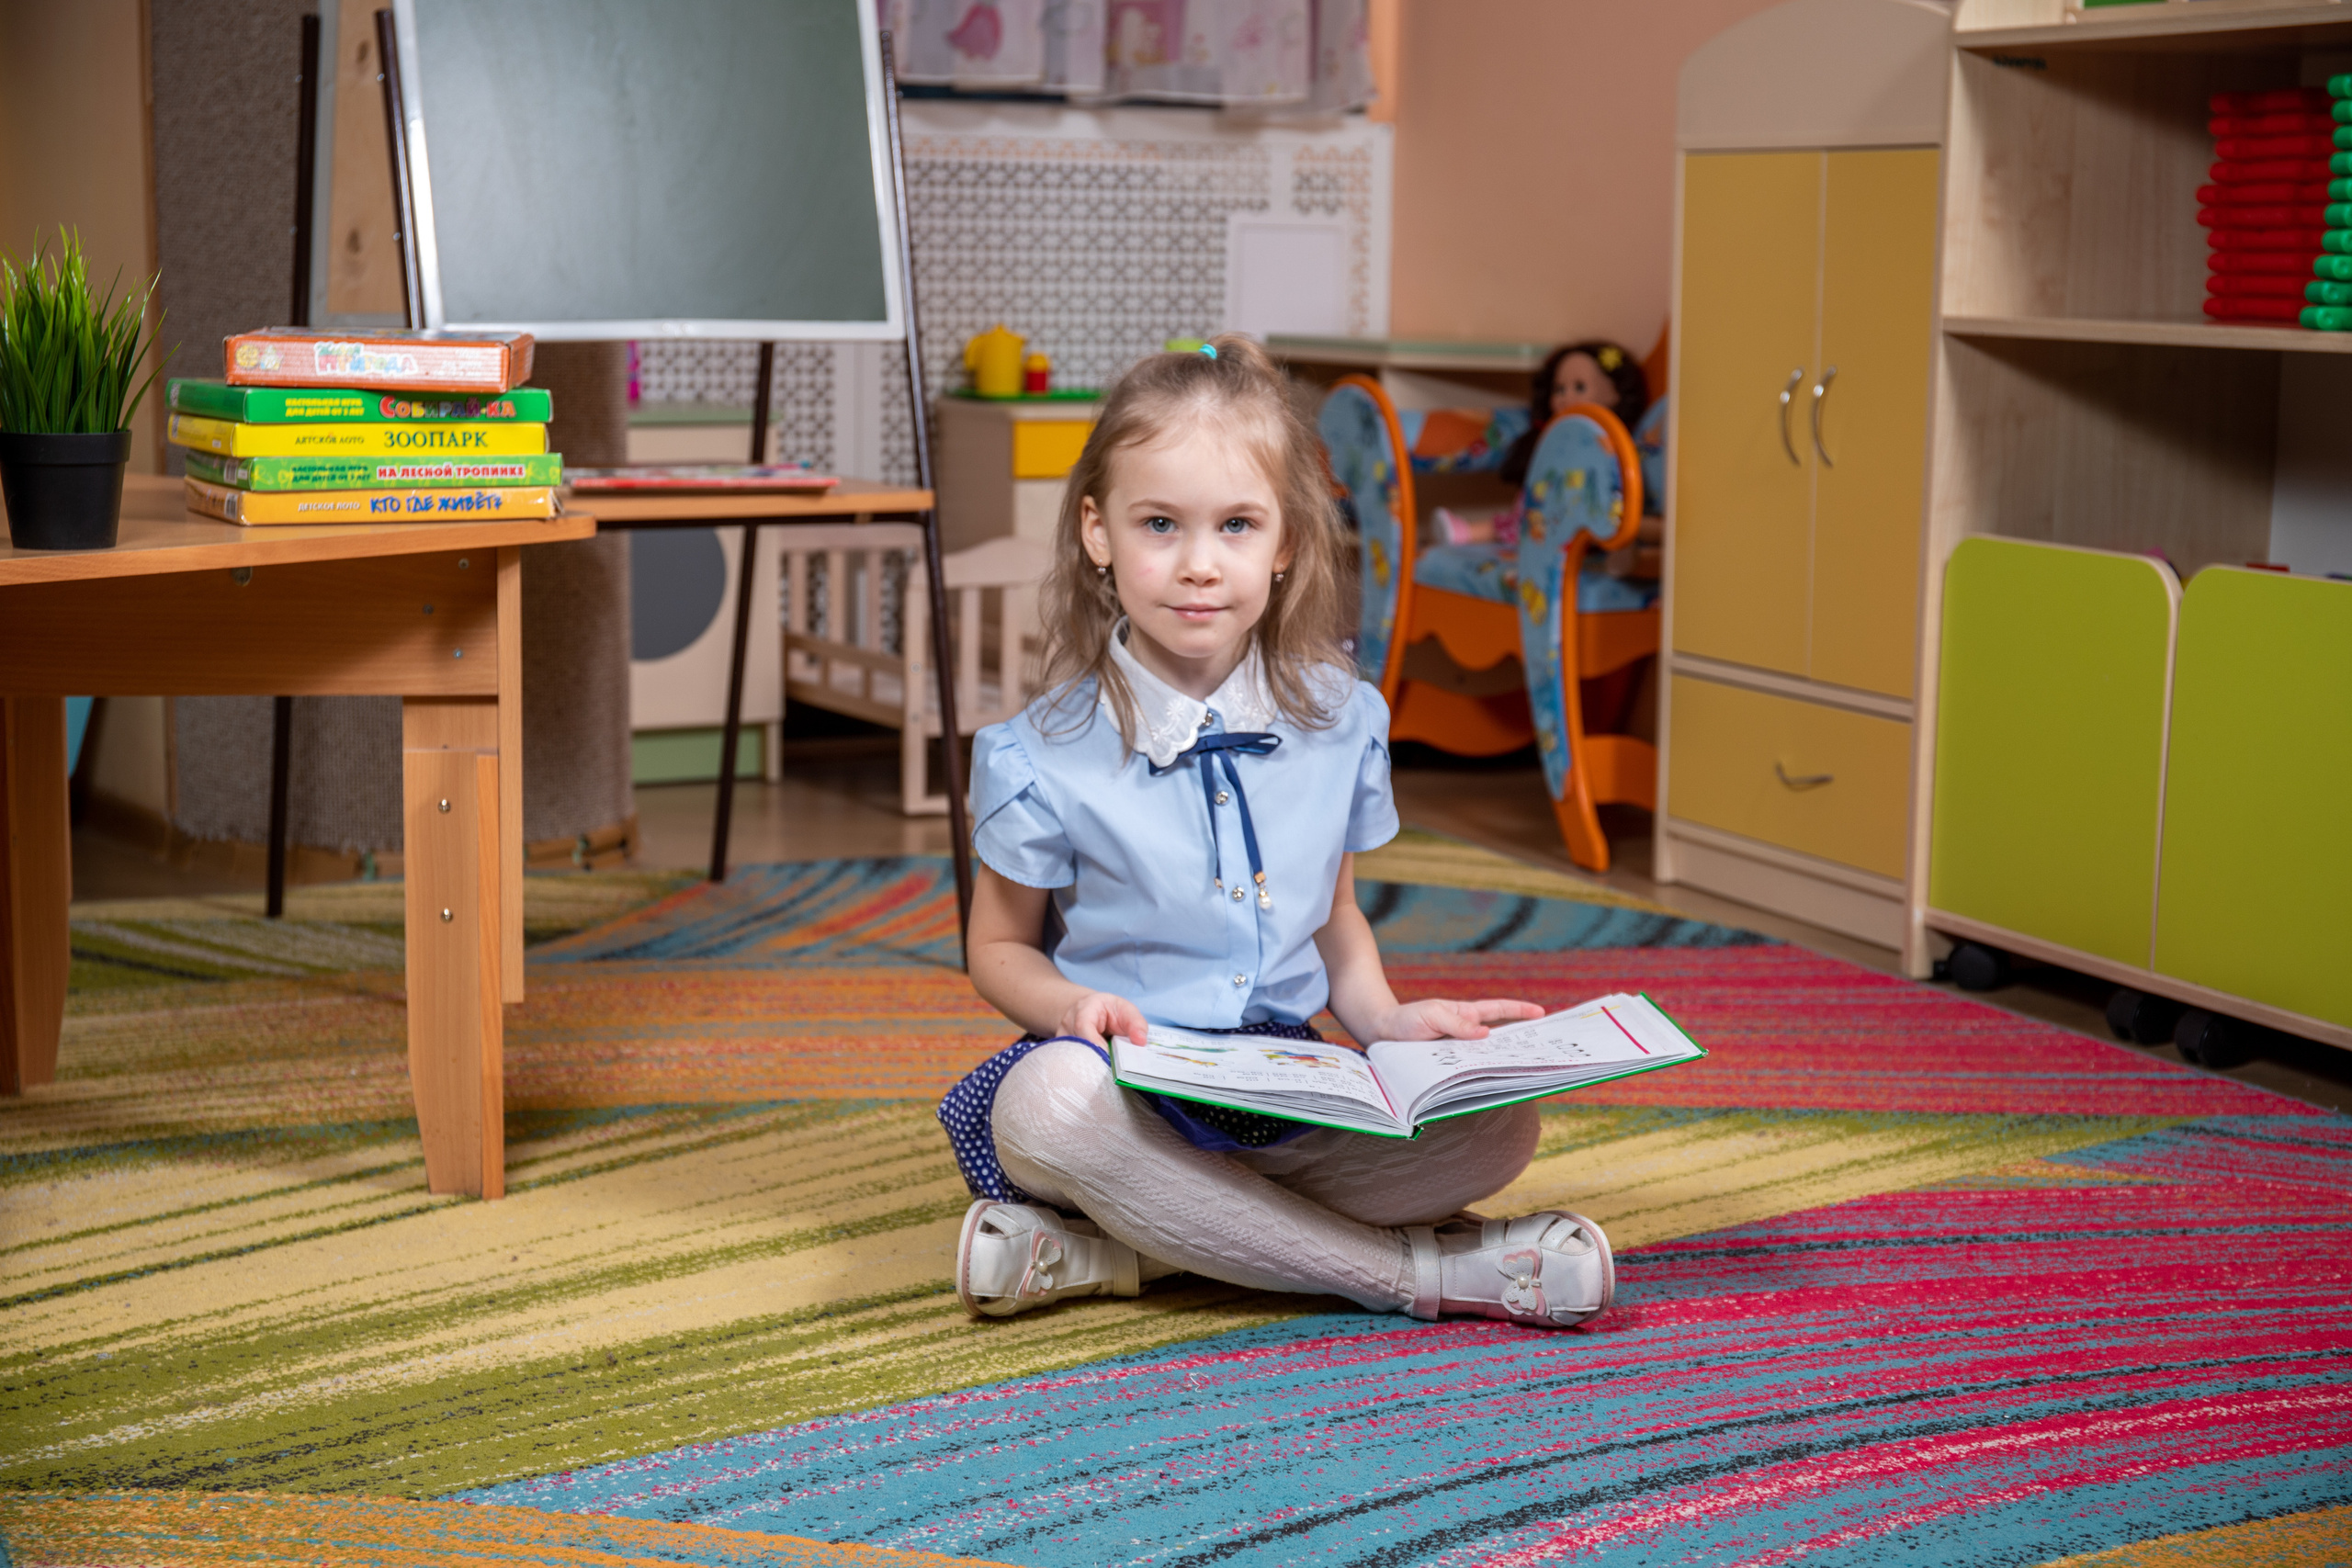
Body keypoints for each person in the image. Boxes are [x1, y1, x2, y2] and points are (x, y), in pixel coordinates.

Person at [936, 333, 1614, 1330]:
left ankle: (1122, 1251)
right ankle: (1424, 1277)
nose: (1199, 565)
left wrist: (1385, 1020)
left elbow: (1333, 916)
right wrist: (1070, 1004)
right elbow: (995, 948)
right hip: (1124, 1088)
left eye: (1237, 526)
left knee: (1499, 1133)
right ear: (1098, 533)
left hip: (1287, 1090)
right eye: (1159, 524)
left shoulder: (1341, 721)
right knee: (1040, 1104)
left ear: (1285, 541)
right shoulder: (1040, 751)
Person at [1488, 340, 1652, 548]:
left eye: (1580, 387)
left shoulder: (1612, 443)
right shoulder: (1554, 438)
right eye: (1559, 389)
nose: (1566, 398)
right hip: (1547, 514)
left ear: (1615, 393)